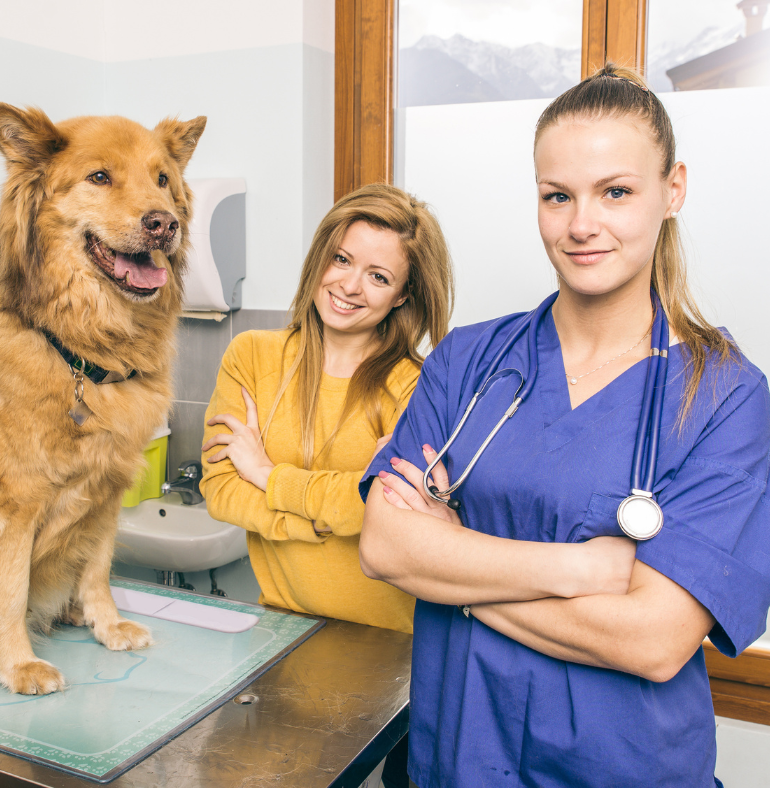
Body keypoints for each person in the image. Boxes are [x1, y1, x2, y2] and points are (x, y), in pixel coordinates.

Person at [359, 64, 770, 788]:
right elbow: (386, 546)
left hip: (624, 768)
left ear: (672, 190)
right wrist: (580, 571)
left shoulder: (725, 395)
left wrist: (452, 566)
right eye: (558, 196)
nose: (582, 225)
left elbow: (653, 641)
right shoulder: (468, 362)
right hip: (458, 761)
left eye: (616, 192)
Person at [200, 183, 454, 787]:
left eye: (378, 276)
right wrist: (326, 510)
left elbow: (389, 512)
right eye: (341, 259)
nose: (349, 285)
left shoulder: (416, 385)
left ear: (402, 296)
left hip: (393, 648)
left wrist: (267, 475)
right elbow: (220, 488)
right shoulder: (253, 357)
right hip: (282, 634)